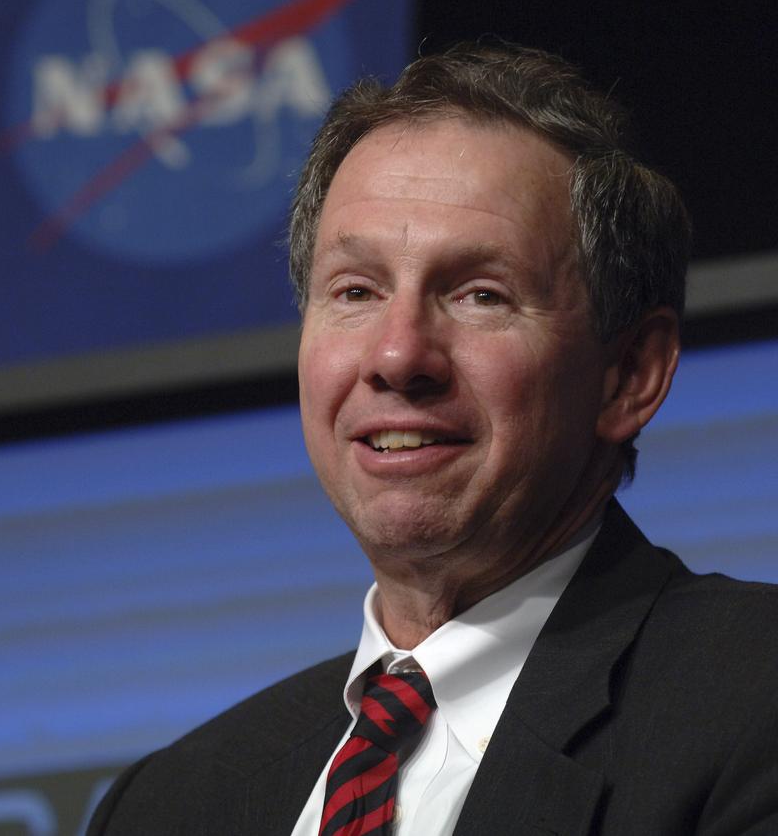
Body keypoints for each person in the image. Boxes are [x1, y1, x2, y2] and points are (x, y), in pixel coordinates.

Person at [87, 41, 778, 836]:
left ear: (630, 375)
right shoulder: (167, 805)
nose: (396, 355)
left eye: (480, 294)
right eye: (355, 291)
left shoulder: (751, 701)